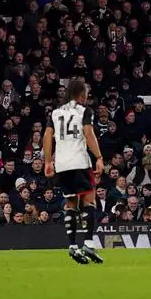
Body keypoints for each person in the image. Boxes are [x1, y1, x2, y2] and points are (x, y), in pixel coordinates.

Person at [43, 78, 105, 265]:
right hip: (79, 160)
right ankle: (87, 243)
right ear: (81, 94)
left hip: (61, 164)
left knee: (71, 202)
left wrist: (48, 161)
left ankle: (72, 246)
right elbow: (88, 133)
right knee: (89, 200)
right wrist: (99, 157)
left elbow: (47, 135)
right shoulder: (84, 111)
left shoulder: (55, 112)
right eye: (86, 93)